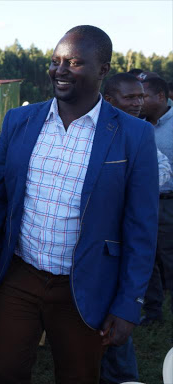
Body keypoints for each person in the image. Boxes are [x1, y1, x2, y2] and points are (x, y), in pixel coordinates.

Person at [0, 25, 158, 384]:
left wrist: (128, 304)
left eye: (73, 62)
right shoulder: (20, 120)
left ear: (102, 69)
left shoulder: (134, 135)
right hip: (18, 276)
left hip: (86, 285)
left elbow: (141, 228)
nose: (60, 70)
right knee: (5, 371)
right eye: (55, 61)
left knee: (78, 376)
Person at [101, 73, 171, 384]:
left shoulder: (140, 132)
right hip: (94, 243)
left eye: (141, 97)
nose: (138, 103)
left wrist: (129, 184)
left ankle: (123, 376)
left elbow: (163, 171)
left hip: (124, 236)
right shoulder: (96, 129)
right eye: (131, 97)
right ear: (110, 99)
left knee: (117, 315)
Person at [140, 75, 173, 326]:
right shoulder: (139, 124)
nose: (139, 101)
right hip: (144, 203)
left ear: (161, 97)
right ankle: (153, 313)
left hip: (168, 203)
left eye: (143, 96)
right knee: (146, 257)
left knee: (168, 256)